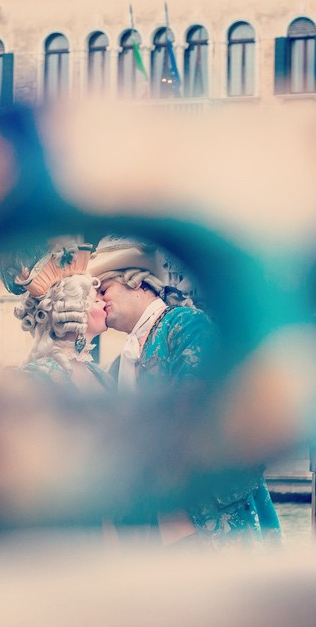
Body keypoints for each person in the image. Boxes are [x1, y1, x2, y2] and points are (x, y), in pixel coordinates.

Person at [86, 235, 282, 549]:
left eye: (104, 289)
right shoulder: (115, 365)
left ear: (137, 283)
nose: (99, 300)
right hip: (158, 528)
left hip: (205, 518)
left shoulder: (187, 325)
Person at [0, 239, 112, 392]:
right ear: (77, 312)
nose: (104, 303)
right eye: (96, 299)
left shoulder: (101, 375)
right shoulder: (35, 379)